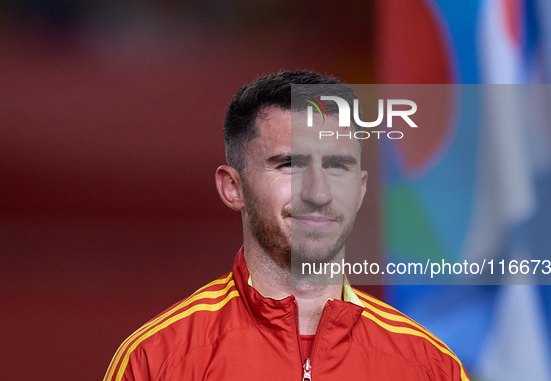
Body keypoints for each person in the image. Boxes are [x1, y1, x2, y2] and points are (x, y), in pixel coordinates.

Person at [103, 71, 470, 381]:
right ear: (234, 187)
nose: (318, 193)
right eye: (289, 165)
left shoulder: (430, 365)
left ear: (360, 191)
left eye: (337, 166)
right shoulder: (157, 359)